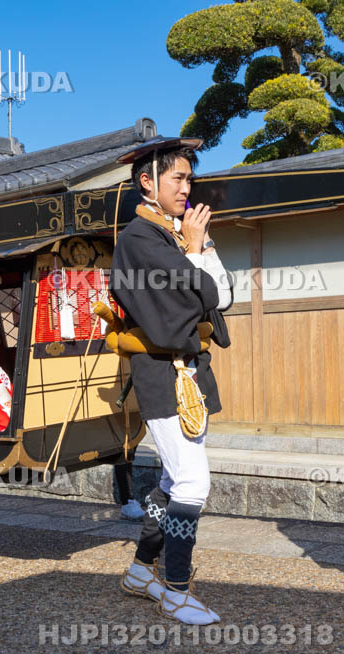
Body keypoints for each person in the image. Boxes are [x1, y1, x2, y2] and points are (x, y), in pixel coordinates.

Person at [109, 137, 233, 625]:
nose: (187, 188)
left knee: (170, 480)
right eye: (177, 178)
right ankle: (176, 589)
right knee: (192, 482)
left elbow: (221, 297)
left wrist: (200, 249)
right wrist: (196, 251)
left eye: (189, 179)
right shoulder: (139, 239)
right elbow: (186, 304)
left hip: (188, 371)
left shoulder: (174, 235)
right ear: (147, 182)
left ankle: (143, 569)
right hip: (162, 371)